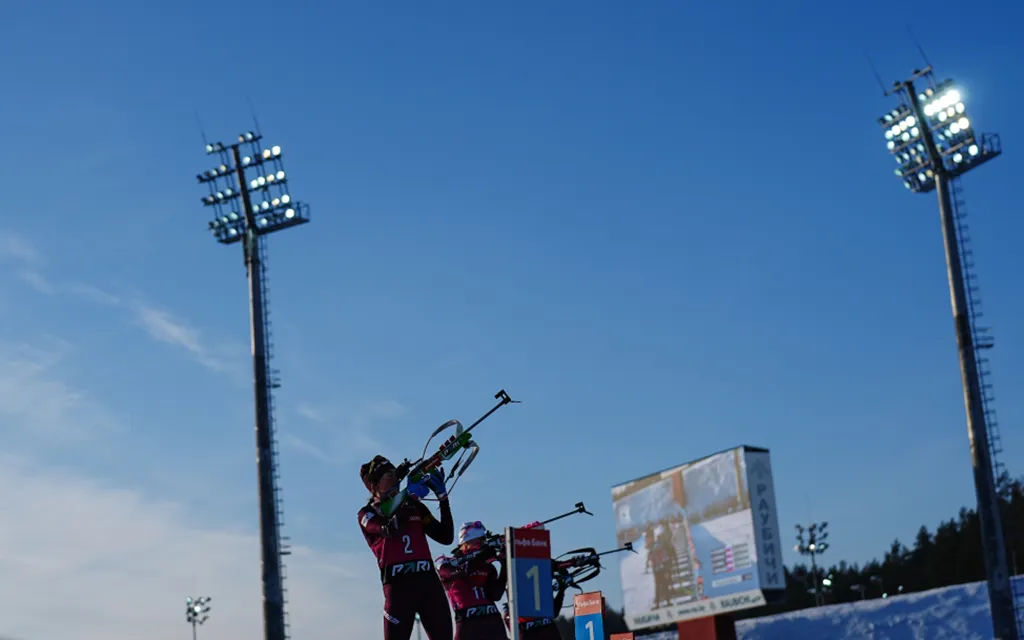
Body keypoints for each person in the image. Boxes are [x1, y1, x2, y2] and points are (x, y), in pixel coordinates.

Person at [358, 455, 454, 640]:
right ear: (374, 486)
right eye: (389, 476)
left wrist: (443, 499)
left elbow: (445, 536)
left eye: (396, 475)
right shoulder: (367, 513)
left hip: (427, 581)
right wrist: (409, 496)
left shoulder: (414, 506)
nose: (395, 481)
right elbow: (390, 529)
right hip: (398, 587)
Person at [435, 521, 508, 639]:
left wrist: (505, 564)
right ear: (465, 543)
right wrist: (479, 559)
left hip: (493, 621)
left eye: (484, 542)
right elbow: (449, 572)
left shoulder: (487, 567)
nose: (482, 545)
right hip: (467, 623)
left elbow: (495, 595)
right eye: (478, 542)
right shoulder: (447, 562)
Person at [503, 562, 570, 640]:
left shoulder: (538, 580)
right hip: (537, 630)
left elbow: (554, 612)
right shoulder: (516, 583)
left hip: (543, 629)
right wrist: (562, 589)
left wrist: (562, 589)